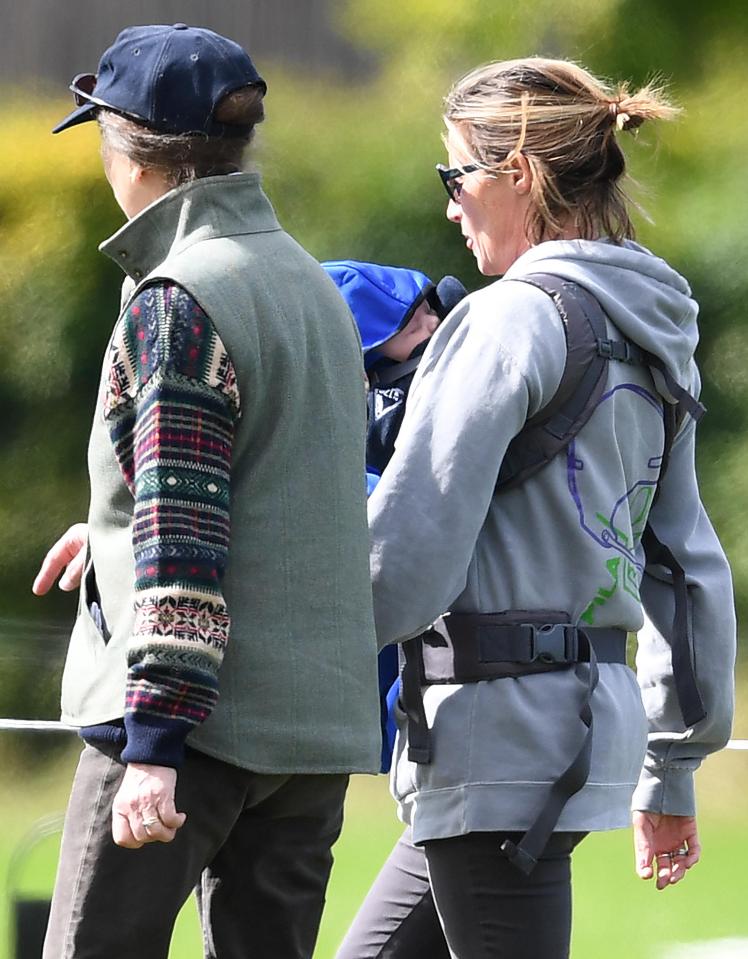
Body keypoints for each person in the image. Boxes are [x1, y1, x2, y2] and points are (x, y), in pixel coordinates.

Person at [336, 57, 736, 959]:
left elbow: (405, 555)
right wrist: (672, 760)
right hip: (570, 729)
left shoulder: (509, 320)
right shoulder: (653, 329)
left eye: (457, 176)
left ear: (516, 173)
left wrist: (276, 655)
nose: (449, 206)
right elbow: (687, 562)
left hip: (497, 740)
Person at [34, 23, 380, 959]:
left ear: (128, 149)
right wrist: (107, 529)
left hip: (192, 730)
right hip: (309, 738)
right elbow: (274, 480)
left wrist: (152, 739)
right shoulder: (309, 281)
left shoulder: (179, 294)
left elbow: (184, 528)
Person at [321, 260, 467, 771]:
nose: (431, 327)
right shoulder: (354, 406)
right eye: (410, 326)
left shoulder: (453, 368)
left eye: (429, 311)